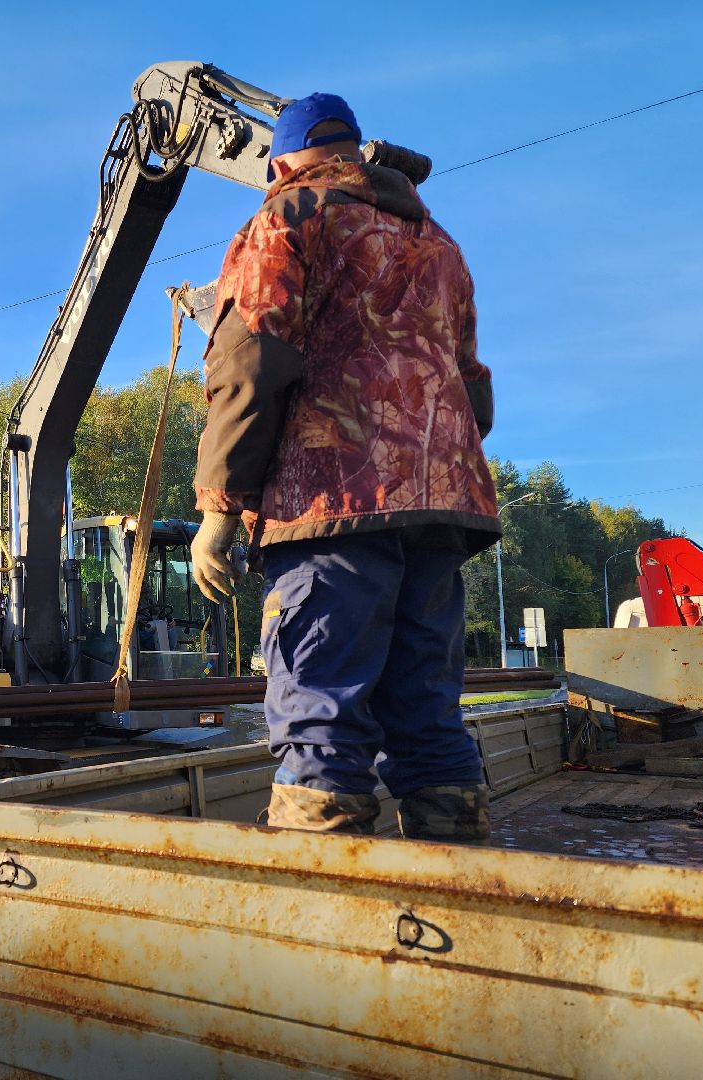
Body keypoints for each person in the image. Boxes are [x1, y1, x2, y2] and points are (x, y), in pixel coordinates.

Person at [190, 92, 501, 843]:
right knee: (427, 710)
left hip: (332, 503)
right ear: (356, 150)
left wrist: (218, 509)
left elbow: (250, 360)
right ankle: (459, 884)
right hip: (441, 509)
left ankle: (324, 913)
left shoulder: (291, 214)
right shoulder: (439, 242)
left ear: (281, 159)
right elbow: (472, 389)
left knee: (320, 710)